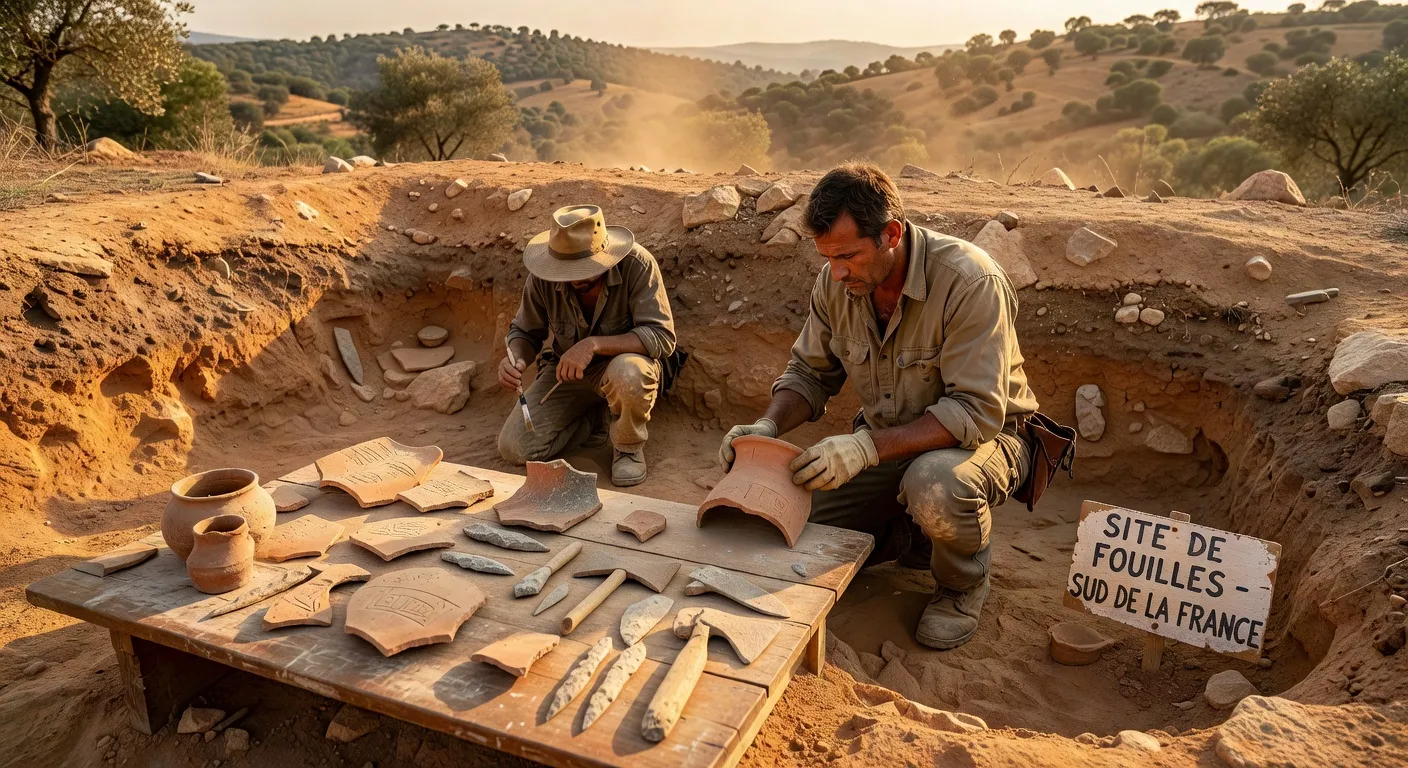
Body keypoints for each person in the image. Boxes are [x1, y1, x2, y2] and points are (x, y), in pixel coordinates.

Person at [718, 162, 1040, 650]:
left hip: (984, 442)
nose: (837, 271)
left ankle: (961, 585)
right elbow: (809, 375)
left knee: (935, 484)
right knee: (790, 512)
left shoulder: (969, 281)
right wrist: (766, 427)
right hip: (886, 441)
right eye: (827, 257)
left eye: (848, 255)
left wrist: (864, 449)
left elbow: (975, 412)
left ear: (891, 233)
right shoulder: (837, 283)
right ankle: (901, 535)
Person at [498, 205, 675, 487]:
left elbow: (661, 336)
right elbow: (525, 331)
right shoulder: (543, 277)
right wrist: (516, 359)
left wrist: (593, 345)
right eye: (564, 271)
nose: (573, 278)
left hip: (621, 370)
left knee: (628, 373)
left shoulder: (638, 265)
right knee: (516, 448)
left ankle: (628, 447)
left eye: (582, 269)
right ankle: (592, 419)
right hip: (567, 375)